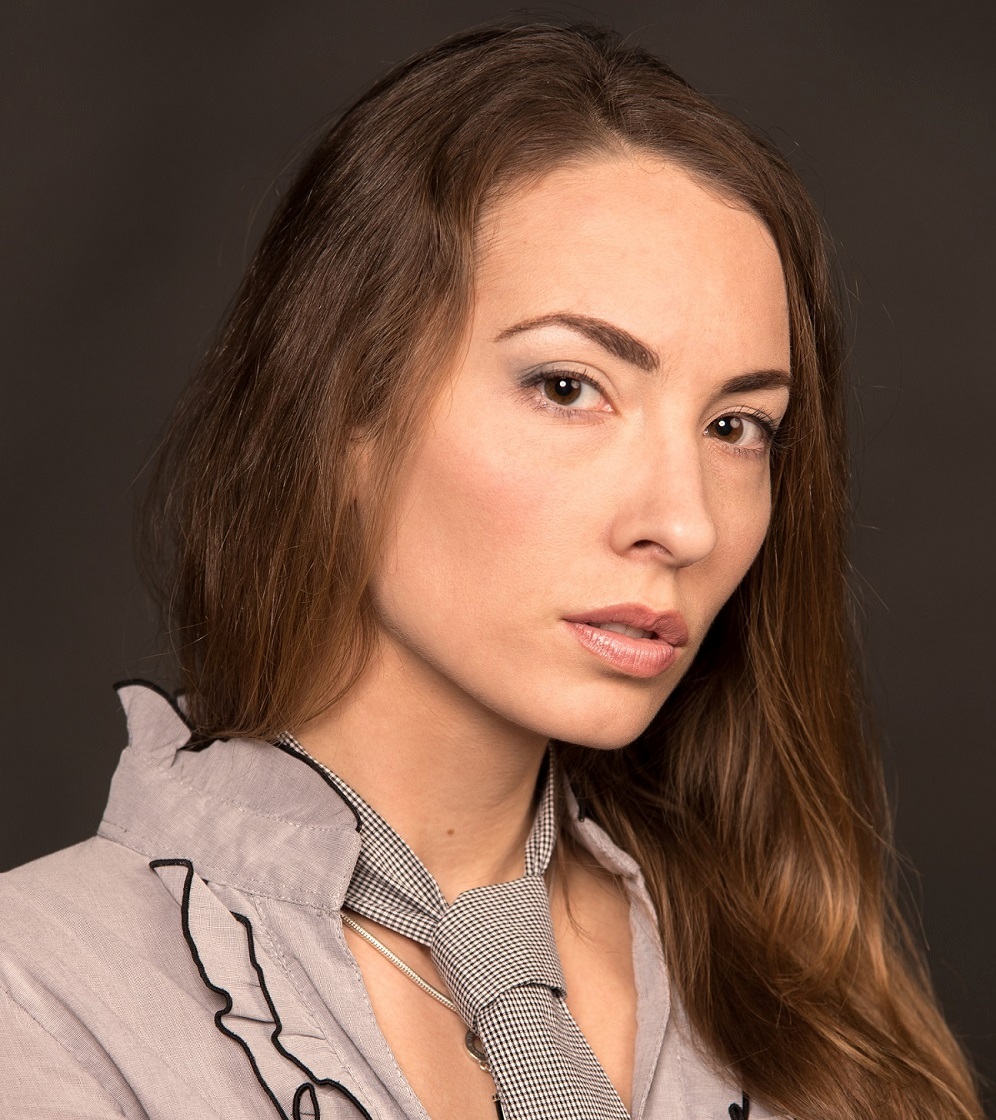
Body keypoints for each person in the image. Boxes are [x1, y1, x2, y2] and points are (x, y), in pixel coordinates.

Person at [0, 21, 983, 1120]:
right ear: (340, 412)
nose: (684, 521)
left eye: (737, 425)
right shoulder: (40, 1003)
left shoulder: (809, 1008)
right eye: (568, 387)